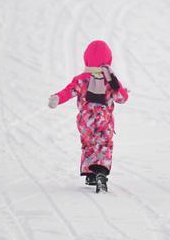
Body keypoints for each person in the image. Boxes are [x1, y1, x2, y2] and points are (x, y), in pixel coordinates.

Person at [48, 39, 129, 193]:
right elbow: (122, 98)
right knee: (103, 146)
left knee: (89, 145)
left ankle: (90, 175)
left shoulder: (81, 79)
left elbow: (68, 91)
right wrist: (122, 89)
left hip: (86, 122)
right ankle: (100, 173)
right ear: (109, 58)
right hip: (104, 121)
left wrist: (57, 98)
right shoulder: (110, 79)